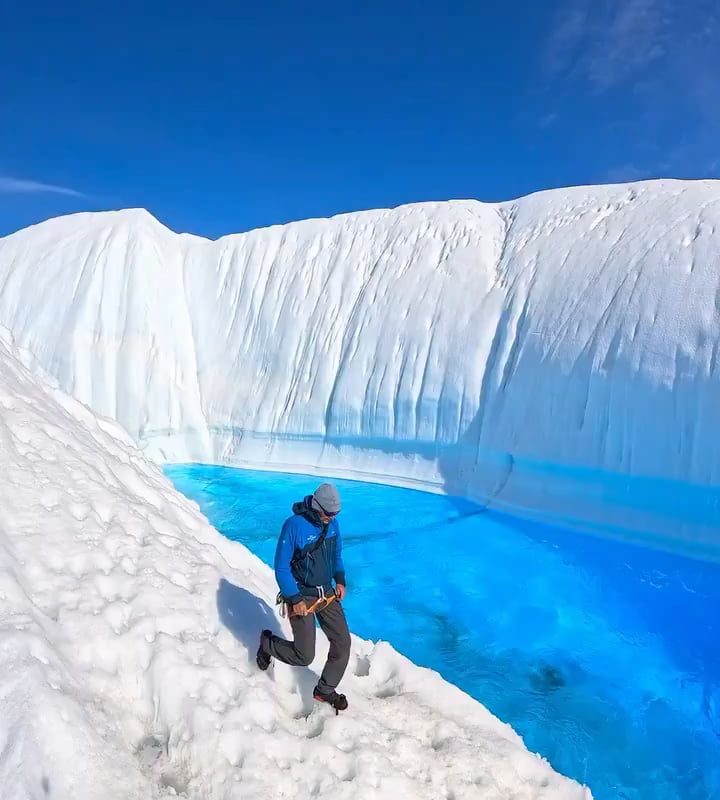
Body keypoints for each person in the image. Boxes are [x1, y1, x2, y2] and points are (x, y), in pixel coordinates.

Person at [256, 483, 351, 711]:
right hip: (302, 596)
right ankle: (267, 644)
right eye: (329, 514)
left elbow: (336, 556)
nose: (332, 518)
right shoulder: (294, 526)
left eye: (335, 514)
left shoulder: (333, 524)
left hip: (326, 593)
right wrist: (294, 598)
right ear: (317, 506)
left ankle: (324, 691)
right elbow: (281, 567)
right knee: (304, 655)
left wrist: (339, 579)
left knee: (343, 643)